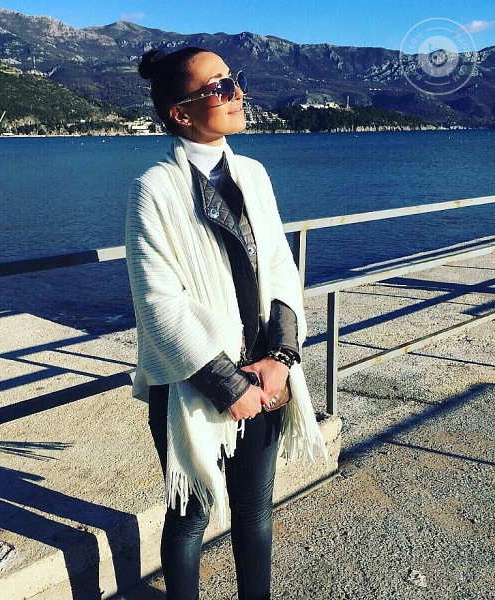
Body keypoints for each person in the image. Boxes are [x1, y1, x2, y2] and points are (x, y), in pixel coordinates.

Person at [125, 47, 327, 600]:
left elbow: (280, 266)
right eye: (218, 88)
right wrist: (227, 385)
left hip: (264, 373)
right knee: (189, 517)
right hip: (193, 381)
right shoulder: (154, 189)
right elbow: (158, 303)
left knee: (255, 512)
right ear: (181, 112)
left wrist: (280, 359)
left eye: (234, 80)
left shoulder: (253, 174)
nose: (236, 93)